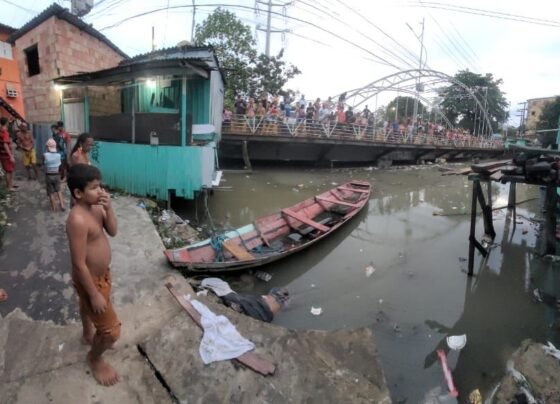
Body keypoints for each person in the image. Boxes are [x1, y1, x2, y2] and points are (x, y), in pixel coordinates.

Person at [66, 164, 120, 386]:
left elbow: (113, 231)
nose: (101, 191)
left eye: (101, 186)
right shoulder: (77, 220)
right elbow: (78, 264)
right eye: (94, 188)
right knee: (111, 332)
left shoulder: (97, 208)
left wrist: (109, 209)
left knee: (85, 307)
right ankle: (94, 358)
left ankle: (88, 334)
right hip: (90, 281)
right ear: (78, 193)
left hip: (102, 275)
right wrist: (94, 294)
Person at [44, 139, 65, 212]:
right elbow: (60, 166)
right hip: (57, 175)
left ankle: (54, 208)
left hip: (48, 175)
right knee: (59, 190)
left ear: (47, 147)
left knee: (51, 192)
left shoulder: (45, 155)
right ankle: (62, 205)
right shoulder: (58, 155)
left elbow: (44, 163)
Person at [0, 117, 16, 191]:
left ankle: (10, 184)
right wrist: (11, 156)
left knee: (9, 170)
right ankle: (9, 187)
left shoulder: (1, 131)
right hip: (6, 155)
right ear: (6, 123)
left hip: (2, 154)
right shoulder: (5, 132)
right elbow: (5, 144)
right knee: (8, 171)